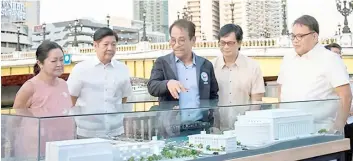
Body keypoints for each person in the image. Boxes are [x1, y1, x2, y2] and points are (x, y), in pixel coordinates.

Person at [277, 15, 352, 133]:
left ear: (314, 36)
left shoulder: (330, 59)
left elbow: (345, 96)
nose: (295, 40)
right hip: (287, 130)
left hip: (321, 131)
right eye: (293, 36)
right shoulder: (288, 58)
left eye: (300, 36)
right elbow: (281, 91)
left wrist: (337, 129)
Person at [147, 19, 219, 126]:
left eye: (181, 40)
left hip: (201, 126)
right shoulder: (162, 63)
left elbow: (213, 95)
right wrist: (167, 84)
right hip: (171, 128)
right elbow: (152, 87)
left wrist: (210, 116)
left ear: (193, 40)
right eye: (173, 40)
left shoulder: (206, 65)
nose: (176, 45)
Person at [11, 41, 75, 159]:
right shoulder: (30, 87)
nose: (59, 64)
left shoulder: (64, 84)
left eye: (61, 60)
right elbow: (15, 121)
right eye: (54, 61)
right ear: (40, 63)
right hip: (37, 150)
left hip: (63, 146)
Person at [67, 27, 133, 138]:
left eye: (113, 44)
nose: (110, 48)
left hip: (116, 132)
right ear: (95, 45)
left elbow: (125, 97)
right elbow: (70, 98)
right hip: (88, 133)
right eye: (105, 44)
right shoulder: (81, 69)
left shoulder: (123, 69)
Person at [211, 24, 265, 130]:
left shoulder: (253, 67)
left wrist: (249, 125)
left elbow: (256, 101)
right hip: (217, 129)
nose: (226, 47)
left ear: (239, 43)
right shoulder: (211, 66)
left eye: (230, 43)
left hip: (245, 128)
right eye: (222, 43)